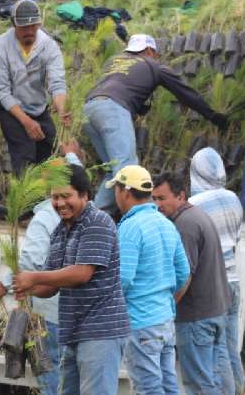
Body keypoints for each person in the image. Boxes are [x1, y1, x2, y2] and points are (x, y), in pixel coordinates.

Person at [11, 163, 131, 395]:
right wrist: (29, 288)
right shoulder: (60, 230)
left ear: (84, 195)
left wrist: (33, 276)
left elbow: (82, 273)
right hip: (72, 330)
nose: (60, 203)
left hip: (100, 333)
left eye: (67, 196)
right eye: (55, 197)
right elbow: (51, 287)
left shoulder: (98, 222)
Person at [84, 34, 229, 213]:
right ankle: (142, 217)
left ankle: (96, 217)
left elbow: (125, 85)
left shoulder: (114, 61)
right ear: (150, 51)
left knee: (113, 171)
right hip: (113, 109)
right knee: (128, 169)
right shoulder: (154, 65)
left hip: (88, 110)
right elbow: (185, 93)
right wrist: (213, 116)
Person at [0, 141, 84, 395]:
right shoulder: (83, 209)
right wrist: (72, 154)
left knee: (51, 374)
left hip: (52, 313)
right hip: (79, 312)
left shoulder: (45, 217)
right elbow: (77, 174)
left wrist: (5, 284)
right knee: (71, 377)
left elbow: (32, 262)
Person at [109, 165, 190, 395]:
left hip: (140, 324)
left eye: (116, 189)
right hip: (165, 321)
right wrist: (166, 301)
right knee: (168, 387)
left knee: (148, 390)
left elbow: (122, 279)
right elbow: (183, 272)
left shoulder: (130, 227)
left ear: (125, 192)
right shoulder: (167, 223)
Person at [152, 172, 235, 395]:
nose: (157, 205)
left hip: (196, 318)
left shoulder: (184, 225)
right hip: (215, 311)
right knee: (214, 379)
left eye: (162, 198)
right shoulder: (197, 215)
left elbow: (184, 275)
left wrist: (166, 311)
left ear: (180, 196)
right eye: (154, 199)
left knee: (197, 383)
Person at [0, 0, 70, 174]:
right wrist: (26, 122)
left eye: (33, 26)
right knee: (25, 153)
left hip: (37, 105)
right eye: (24, 27)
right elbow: (0, 91)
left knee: (50, 151)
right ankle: (25, 197)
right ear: (14, 25)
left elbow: (57, 82)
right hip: (9, 106)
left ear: (39, 23)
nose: (29, 32)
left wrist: (61, 109)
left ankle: (47, 199)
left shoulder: (49, 46)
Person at [188, 147, 245, 394]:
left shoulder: (194, 206)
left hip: (212, 287)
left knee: (216, 350)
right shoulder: (233, 199)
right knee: (232, 348)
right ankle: (238, 389)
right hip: (233, 282)